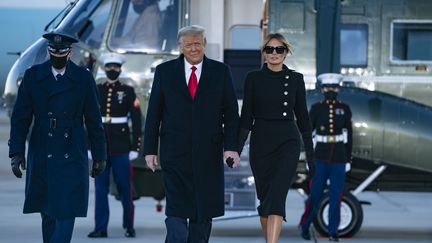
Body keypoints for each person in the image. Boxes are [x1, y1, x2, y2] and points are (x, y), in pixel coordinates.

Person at [143, 25, 241, 243]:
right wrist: (149, 150)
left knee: (202, 211)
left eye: (198, 43)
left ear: (204, 44)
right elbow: (154, 115)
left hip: (209, 152)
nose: (194, 48)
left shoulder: (221, 71)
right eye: (188, 44)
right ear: (180, 46)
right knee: (176, 210)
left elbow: (232, 114)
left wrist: (231, 147)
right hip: (174, 153)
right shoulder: (165, 72)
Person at [8, 32, 107, 243]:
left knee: (66, 210)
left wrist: (100, 155)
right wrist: (16, 152)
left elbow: (93, 120)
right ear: (48, 51)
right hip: (42, 148)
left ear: (69, 53)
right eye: (53, 51)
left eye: (62, 52)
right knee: (48, 213)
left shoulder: (83, 78)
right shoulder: (33, 76)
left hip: (72, 149)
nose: (57, 55)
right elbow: (20, 118)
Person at [237, 33, 316, 243]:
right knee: (265, 200)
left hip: (287, 142)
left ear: (286, 53)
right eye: (269, 49)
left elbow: (303, 119)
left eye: (279, 49)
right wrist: (235, 150)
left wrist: (310, 155)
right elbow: (246, 118)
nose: (274, 53)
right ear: (264, 52)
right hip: (261, 142)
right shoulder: (253, 78)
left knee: (277, 197)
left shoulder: (296, 79)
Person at [87, 53, 142, 238]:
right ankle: (100, 228)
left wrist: (135, 148)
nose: (112, 70)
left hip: (121, 146)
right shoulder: (96, 89)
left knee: (125, 187)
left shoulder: (128, 91)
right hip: (100, 147)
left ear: (120, 69)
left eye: (115, 67)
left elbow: (136, 120)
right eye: (109, 67)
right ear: (104, 69)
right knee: (100, 189)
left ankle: (129, 226)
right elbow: (89, 119)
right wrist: (89, 146)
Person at [298, 73, 353, 242]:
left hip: (338, 158)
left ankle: (332, 231)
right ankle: (305, 225)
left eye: (333, 87)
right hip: (320, 158)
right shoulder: (316, 108)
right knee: (314, 195)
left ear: (338, 89)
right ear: (322, 89)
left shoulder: (344, 109)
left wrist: (348, 159)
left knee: (336, 196)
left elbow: (349, 135)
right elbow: (307, 134)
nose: (330, 90)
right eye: (327, 87)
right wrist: (309, 158)